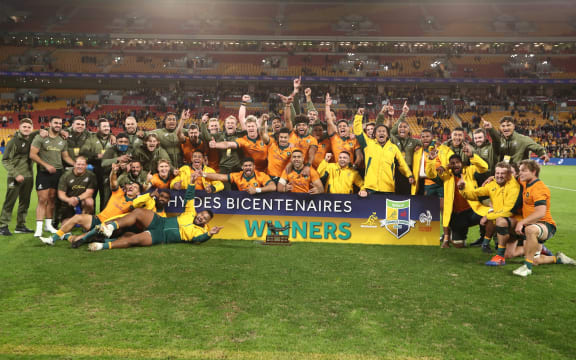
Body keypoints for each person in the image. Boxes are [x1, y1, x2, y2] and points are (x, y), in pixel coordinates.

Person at [88, 181, 223, 251]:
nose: (201, 218)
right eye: (202, 215)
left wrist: (209, 234)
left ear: (206, 222)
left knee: (134, 240)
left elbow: (197, 240)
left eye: (205, 219)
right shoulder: (190, 213)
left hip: (162, 236)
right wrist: (192, 183)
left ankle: (102, 246)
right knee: (138, 213)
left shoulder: (202, 231)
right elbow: (189, 197)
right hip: (160, 222)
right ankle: (110, 227)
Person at [39, 162, 144, 246]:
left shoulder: (135, 204)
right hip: (98, 219)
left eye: (134, 187)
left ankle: (67, 236)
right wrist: (113, 171)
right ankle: (52, 239)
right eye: (130, 186)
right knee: (77, 217)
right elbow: (113, 182)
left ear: (138, 193)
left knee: (76, 240)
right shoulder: (119, 193)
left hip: (106, 227)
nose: (131, 187)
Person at [510, 160, 575, 277]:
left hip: (545, 225)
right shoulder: (525, 182)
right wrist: (491, 179)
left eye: (524, 171)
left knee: (530, 230)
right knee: (535, 260)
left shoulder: (539, 188)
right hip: (532, 225)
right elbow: (512, 178)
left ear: (534, 172)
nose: (520, 173)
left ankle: (527, 268)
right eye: (520, 171)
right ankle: (559, 259)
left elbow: (540, 212)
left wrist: (522, 223)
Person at [426, 147, 489, 248]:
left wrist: (472, 156)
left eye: (457, 162)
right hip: (457, 216)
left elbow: (484, 167)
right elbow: (430, 174)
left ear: (462, 163)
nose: (455, 165)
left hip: (473, 211)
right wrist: (430, 160)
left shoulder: (469, 170)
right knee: (458, 245)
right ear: (449, 165)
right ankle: (456, 235)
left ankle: (485, 241)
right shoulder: (446, 175)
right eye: (452, 163)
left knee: (490, 216)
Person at [457, 162, 521, 255]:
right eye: (497, 173)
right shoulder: (492, 184)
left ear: (508, 174)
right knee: (494, 216)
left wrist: (488, 216)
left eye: (502, 173)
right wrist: (462, 189)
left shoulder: (514, 187)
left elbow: (508, 211)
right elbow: (474, 194)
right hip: (503, 217)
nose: (499, 176)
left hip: (517, 221)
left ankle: (500, 255)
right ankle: (486, 244)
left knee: (498, 219)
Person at [30, 116, 75, 237]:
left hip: (58, 173)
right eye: (55, 123)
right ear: (49, 123)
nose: (58, 125)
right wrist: (46, 165)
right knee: (42, 199)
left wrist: (76, 164)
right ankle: (38, 228)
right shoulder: (41, 137)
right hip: (44, 173)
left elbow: (65, 157)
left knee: (52, 199)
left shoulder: (62, 139)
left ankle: (48, 225)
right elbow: (32, 154)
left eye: (60, 123)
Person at [353, 108, 414, 196]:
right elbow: (358, 131)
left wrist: (409, 175)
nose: (381, 133)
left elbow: (402, 163)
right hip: (371, 187)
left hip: (388, 188)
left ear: (387, 134)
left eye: (383, 131)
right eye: (379, 131)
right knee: (371, 210)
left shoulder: (393, 148)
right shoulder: (368, 144)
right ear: (374, 134)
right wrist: (359, 116)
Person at [0, 119, 35, 235]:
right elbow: (5, 160)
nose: (26, 129)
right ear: (19, 127)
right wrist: (16, 174)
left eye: (29, 127)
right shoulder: (13, 142)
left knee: (25, 202)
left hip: (29, 177)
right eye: (24, 126)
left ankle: (20, 225)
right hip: (15, 177)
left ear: (32, 128)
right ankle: (3, 226)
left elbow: (45, 131)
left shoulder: (32, 139)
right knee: (10, 202)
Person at [83, 118, 116, 212]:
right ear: (98, 128)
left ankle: (102, 220)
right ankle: (91, 220)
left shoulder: (113, 139)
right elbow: (84, 152)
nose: (107, 128)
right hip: (93, 171)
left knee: (105, 198)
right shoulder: (91, 138)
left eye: (108, 126)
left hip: (107, 171)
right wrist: (97, 155)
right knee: (91, 196)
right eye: (104, 126)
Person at [325, 94, 362, 168]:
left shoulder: (354, 140)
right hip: (336, 170)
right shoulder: (334, 137)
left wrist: (354, 166)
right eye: (340, 126)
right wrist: (327, 105)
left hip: (349, 170)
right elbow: (329, 120)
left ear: (349, 128)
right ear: (337, 130)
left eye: (344, 126)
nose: (342, 128)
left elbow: (359, 156)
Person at [203, 157, 276, 194]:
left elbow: (273, 187)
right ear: (242, 167)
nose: (248, 168)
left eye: (250, 165)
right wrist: (203, 174)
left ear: (254, 167)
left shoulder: (261, 175)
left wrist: (257, 190)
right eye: (245, 166)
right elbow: (220, 177)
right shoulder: (237, 175)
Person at [57, 156, 97, 222]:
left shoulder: (91, 175)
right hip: (69, 200)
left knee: (89, 202)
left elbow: (89, 192)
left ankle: (84, 220)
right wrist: (69, 200)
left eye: (82, 165)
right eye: (78, 164)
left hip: (82, 200)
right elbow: (61, 194)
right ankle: (68, 218)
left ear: (86, 166)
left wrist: (77, 198)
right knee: (65, 227)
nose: (80, 166)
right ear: (74, 164)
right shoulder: (66, 175)